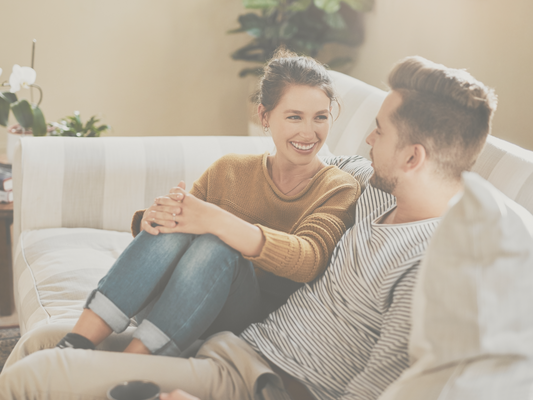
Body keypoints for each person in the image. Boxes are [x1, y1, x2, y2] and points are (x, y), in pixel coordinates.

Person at [0, 55, 497, 400]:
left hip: (262, 381)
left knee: (35, 378)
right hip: (236, 342)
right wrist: (157, 216)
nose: (366, 136)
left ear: (413, 157)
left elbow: (375, 389)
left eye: (380, 130)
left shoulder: (431, 265)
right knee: (41, 341)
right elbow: (297, 156)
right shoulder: (368, 182)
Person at [52, 49, 360, 357]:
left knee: (219, 245)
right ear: (264, 115)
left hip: (239, 319)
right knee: (184, 216)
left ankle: (133, 361)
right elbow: (182, 228)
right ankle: (75, 344)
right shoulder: (230, 169)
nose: (309, 132)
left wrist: (217, 221)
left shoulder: (337, 187)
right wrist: (154, 217)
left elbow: (309, 259)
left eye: (320, 117)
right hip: (166, 306)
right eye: (295, 117)